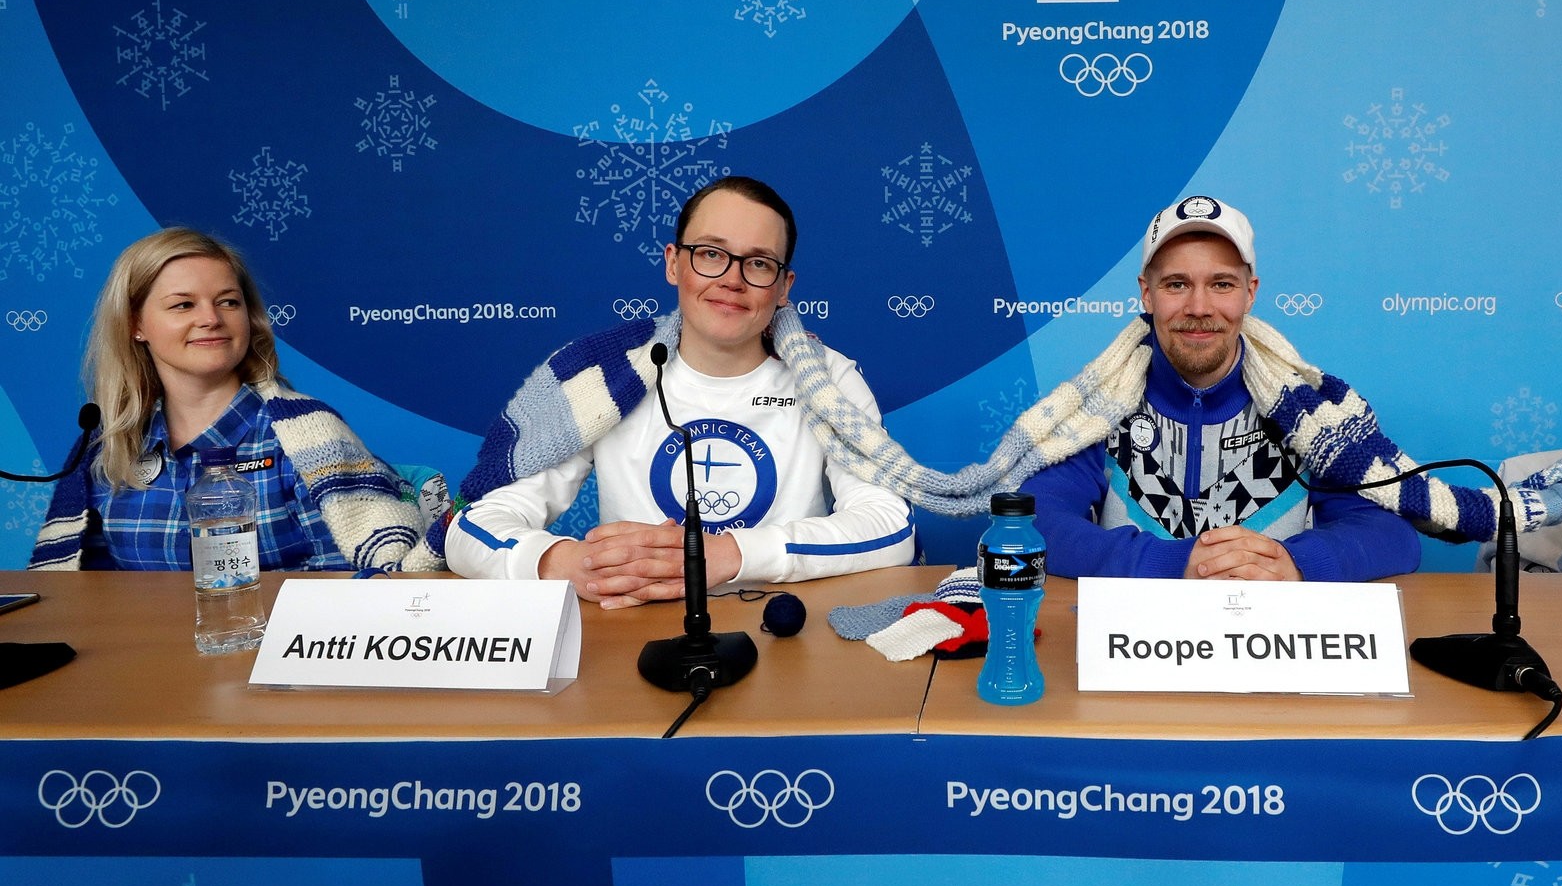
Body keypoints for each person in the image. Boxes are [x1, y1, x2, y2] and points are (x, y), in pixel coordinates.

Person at [443, 175, 915, 605]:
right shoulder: (604, 375)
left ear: (783, 286)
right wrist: (571, 565)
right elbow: (470, 529)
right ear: (674, 263)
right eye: (711, 254)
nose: (732, 279)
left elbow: (891, 529)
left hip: (784, 636)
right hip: (635, 634)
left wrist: (731, 555)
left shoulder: (828, 379)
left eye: (758, 263)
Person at [1019, 196, 1422, 581]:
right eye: (1176, 284)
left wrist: (1296, 562)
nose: (1199, 307)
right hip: (1133, 646)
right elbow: (1031, 524)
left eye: (1222, 284)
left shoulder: (1306, 412)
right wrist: (1170, 563)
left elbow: (1393, 535)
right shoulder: (1101, 406)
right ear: (1146, 293)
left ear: (1250, 293)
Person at [31, 228, 438, 572]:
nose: (211, 318)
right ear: (137, 325)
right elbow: (90, 593)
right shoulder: (108, 445)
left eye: (228, 301)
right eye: (183, 305)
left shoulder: (306, 435)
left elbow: (355, 587)